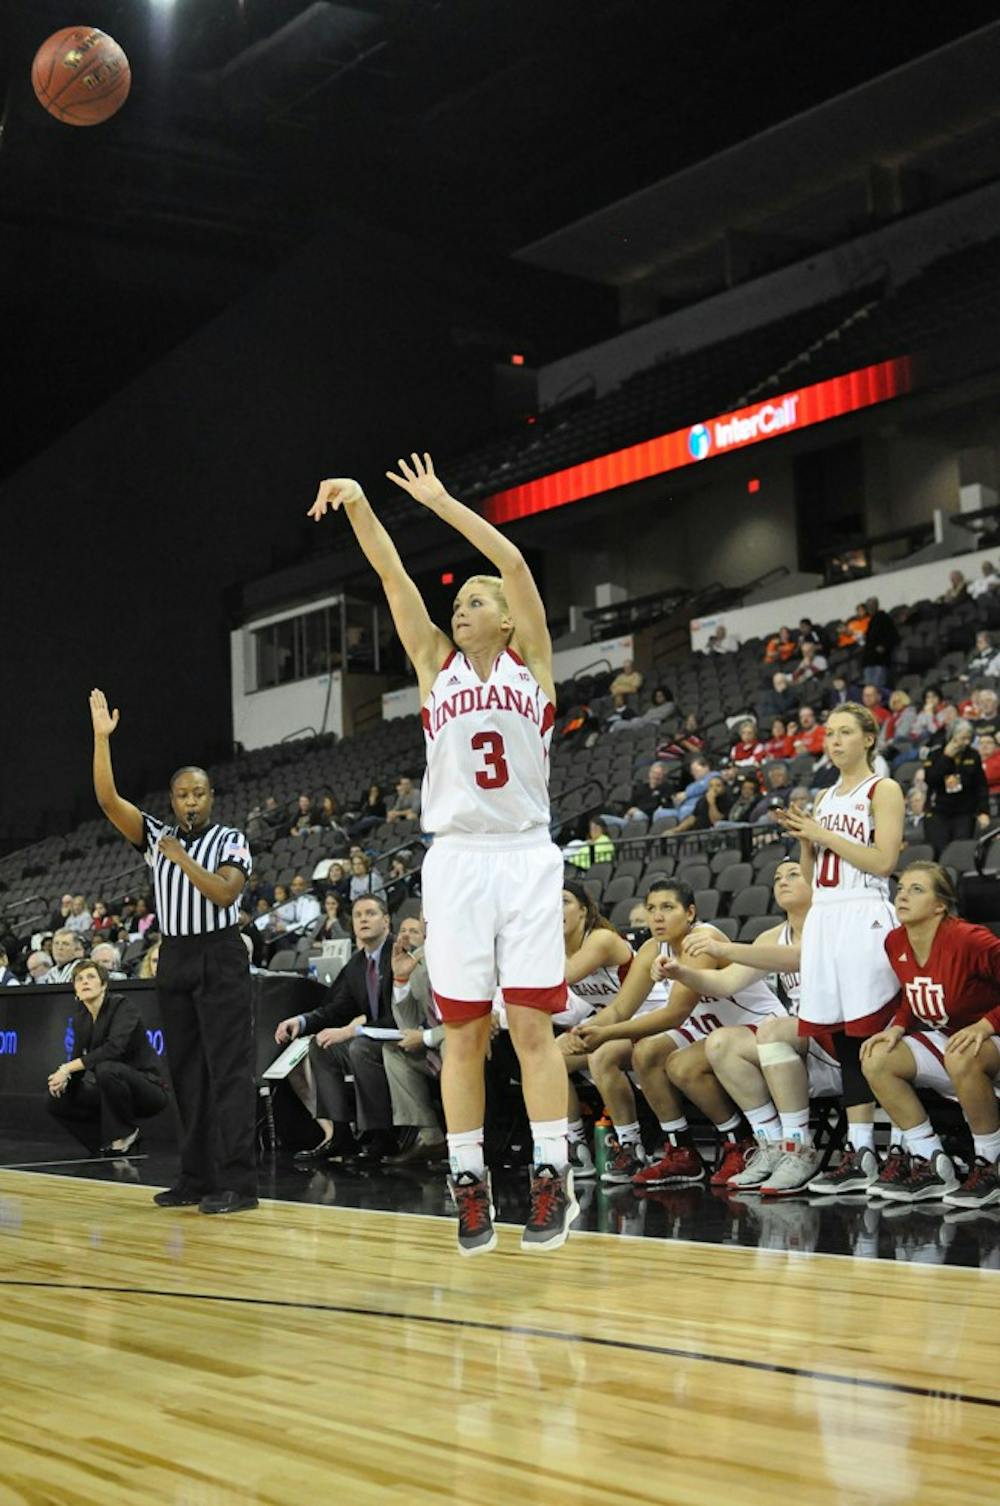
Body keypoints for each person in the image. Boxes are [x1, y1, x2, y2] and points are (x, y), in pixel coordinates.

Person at [304, 454, 575, 1254]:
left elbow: (515, 561)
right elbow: (392, 576)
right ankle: (469, 1183)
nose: (461, 610)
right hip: (455, 861)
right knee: (462, 1034)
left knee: (531, 1031)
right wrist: (357, 502)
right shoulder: (434, 668)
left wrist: (446, 503)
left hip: (525, 856)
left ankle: (552, 1177)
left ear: (509, 619)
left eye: (476, 601)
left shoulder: (535, 668)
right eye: (456, 602)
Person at [89, 688, 257, 1214]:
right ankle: (196, 1177)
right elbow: (107, 800)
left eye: (199, 794)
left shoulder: (229, 839)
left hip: (220, 953)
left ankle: (237, 1184)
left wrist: (180, 858)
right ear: (172, 799)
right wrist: (101, 740)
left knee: (228, 1070)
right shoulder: (154, 834)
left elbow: (225, 892)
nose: (190, 801)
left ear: (211, 797)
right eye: (182, 794)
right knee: (186, 1072)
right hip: (177, 955)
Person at [568, 880, 784, 1188]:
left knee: (681, 1065)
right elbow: (619, 1010)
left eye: (667, 908)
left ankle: (739, 1142)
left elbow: (674, 1014)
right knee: (646, 1052)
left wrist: (607, 1033)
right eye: (652, 908)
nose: (657, 916)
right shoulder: (652, 949)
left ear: (690, 913)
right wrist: (588, 1031)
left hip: (756, 1026)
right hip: (707, 1030)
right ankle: (681, 1151)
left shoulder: (702, 941)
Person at [776, 702, 904, 1193]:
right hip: (827, 917)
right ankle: (861, 1148)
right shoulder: (826, 795)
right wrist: (805, 841)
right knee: (847, 1039)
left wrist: (821, 832)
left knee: (875, 1031)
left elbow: (884, 861)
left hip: (865, 913)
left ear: (868, 739)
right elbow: (808, 882)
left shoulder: (883, 789)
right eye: (829, 733)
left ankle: (906, 1147)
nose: (833, 741)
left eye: (845, 732)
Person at [661, 861, 842, 1196]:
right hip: (799, 1048)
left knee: (773, 1030)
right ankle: (772, 1144)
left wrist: (722, 948)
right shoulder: (771, 936)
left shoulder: (834, 926)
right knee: (720, 1043)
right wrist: (680, 973)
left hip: (843, 1044)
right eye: (776, 877)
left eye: (792, 875)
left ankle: (799, 1147)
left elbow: (801, 957)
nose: (782, 881)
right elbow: (726, 981)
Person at [861, 862, 1000, 1205]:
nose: (903, 895)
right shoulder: (895, 941)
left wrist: (986, 1025)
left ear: (940, 905)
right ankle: (930, 1162)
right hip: (953, 1040)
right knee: (877, 1057)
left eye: (916, 889)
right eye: (902, 888)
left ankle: (991, 1165)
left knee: (960, 1051)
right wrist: (896, 1027)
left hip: (990, 1034)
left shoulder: (970, 938)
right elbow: (916, 992)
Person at [275, 894, 398, 1164]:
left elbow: (399, 1018)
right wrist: (302, 1021)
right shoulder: (357, 964)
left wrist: (353, 1031)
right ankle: (340, 1134)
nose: (363, 919)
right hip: (374, 1037)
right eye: (358, 915)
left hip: (401, 1035)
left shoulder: (398, 954)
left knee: (359, 1046)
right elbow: (337, 1008)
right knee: (321, 1045)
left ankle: (381, 1135)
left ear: (386, 921)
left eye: (370, 913)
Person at [553, 881, 635, 1180]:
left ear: (584, 911)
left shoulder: (601, 939)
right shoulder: (561, 948)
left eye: (563, 901)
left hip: (653, 1018)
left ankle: (630, 1146)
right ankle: (576, 1145)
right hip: (613, 1024)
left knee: (602, 1054)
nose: (554, 909)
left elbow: (563, 976)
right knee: (549, 1057)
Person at [46, 959, 168, 1157]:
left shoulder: (122, 1006)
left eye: (91, 977)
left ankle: (127, 1133)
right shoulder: (81, 1018)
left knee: (106, 1068)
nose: (85, 982)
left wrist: (66, 1068)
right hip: (108, 1087)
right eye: (79, 979)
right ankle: (102, 1145)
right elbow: (78, 1058)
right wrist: (64, 1082)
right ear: (75, 989)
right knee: (56, 1099)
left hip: (148, 1089)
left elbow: (114, 1048)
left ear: (103, 985)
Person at [381, 915, 449, 1166]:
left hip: (472, 1042)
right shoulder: (417, 964)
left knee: (450, 1044)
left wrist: (427, 1037)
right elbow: (407, 1024)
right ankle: (431, 1137)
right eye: (404, 930)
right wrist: (400, 980)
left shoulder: (462, 956)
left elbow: (473, 1020)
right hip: (438, 1044)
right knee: (393, 1050)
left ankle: (467, 1141)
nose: (409, 935)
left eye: (416, 930)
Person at [924, 718, 990, 854]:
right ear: (952, 736)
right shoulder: (935, 754)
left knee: (960, 850)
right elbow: (931, 780)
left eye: (969, 738)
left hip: (964, 811)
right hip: (939, 811)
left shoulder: (973, 755)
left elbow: (981, 786)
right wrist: (946, 758)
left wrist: (983, 811)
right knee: (939, 851)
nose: (966, 742)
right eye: (963, 738)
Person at [860, 597, 898, 689]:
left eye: (871, 605)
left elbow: (894, 636)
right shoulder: (871, 621)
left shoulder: (884, 618)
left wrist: (884, 646)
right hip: (869, 660)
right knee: (869, 688)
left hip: (880, 660)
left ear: (876, 605)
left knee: (878, 688)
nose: (870, 608)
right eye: (868, 606)